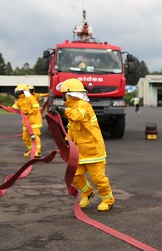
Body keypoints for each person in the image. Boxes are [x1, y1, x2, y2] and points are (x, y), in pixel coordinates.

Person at [49, 78, 114, 211]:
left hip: (93, 150)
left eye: (64, 94)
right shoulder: (72, 108)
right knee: (74, 175)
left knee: (98, 178)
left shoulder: (83, 105)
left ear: (70, 94)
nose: (62, 96)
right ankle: (87, 192)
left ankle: (108, 198)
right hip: (80, 152)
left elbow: (78, 116)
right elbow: (72, 130)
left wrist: (62, 111)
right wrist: (66, 145)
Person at [12, 84, 44, 157]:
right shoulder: (20, 100)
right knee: (25, 138)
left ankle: (37, 151)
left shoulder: (31, 98)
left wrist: (28, 113)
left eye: (19, 91)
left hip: (34, 121)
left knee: (35, 136)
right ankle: (31, 150)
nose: (18, 93)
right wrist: (5, 108)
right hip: (26, 122)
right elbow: (14, 108)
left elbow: (36, 108)